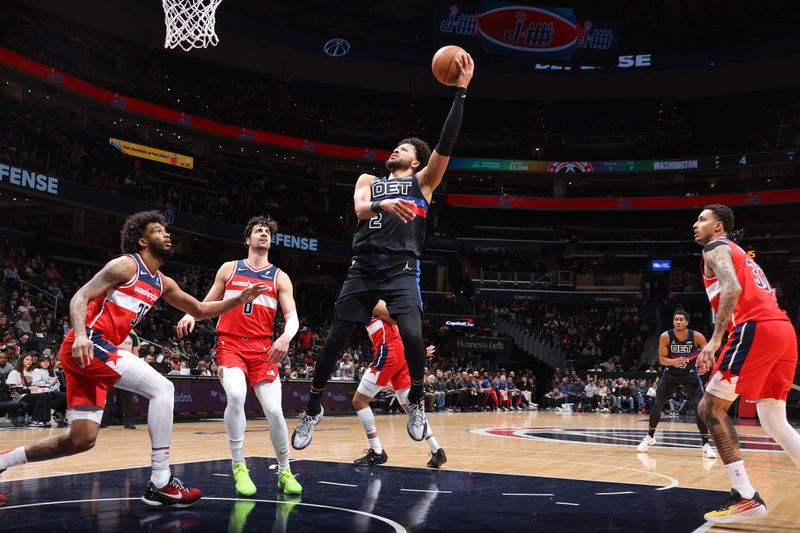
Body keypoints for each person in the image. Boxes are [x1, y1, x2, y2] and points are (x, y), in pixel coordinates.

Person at [0, 211, 267, 507]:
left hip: (93, 356)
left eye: (167, 231)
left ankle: (3, 461)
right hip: (89, 343)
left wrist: (239, 298)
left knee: (81, 440)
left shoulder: (162, 282)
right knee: (163, 388)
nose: (166, 235)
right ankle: (160, 481)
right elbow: (80, 297)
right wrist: (79, 335)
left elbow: (201, 310)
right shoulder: (126, 265)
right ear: (142, 240)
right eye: (158, 231)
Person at [290, 57, 475, 449]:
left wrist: (460, 91)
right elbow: (358, 209)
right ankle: (312, 408)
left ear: (416, 161)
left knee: (411, 333)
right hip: (362, 269)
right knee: (333, 341)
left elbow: (447, 142)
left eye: (403, 148)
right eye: (395, 147)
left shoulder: (424, 183)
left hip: (402, 269)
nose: (395, 150)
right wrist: (381, 205)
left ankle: (419, 403)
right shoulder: (369, 181)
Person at [177, 215, 302, 497]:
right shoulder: (229, 268)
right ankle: (238, 466)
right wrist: (190, 314)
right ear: (247, 239)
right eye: (258, 230)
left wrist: (285, 336)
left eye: (268, 231)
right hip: (231, 344)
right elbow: (206, 303)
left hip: (263, 349)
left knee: (274, 411)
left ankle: (284, 470)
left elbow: (292, 318)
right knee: (235, 396)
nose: (264, 234)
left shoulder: (279, 276)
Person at [693, 204, 800, 523]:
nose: (695, 224)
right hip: (783, 329)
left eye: (702, 219)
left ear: (719, 225)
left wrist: (714, 340)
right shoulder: (740, 252)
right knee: (772, 418)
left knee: (710, 408)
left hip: (757, 328)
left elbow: (733, 288)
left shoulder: (715, 247)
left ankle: (745, 495)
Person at [350, 300, 445, 468]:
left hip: (389, 351)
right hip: (399, 352)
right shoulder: (377, 303)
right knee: (410, 407)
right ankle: (437, 450)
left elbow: (402, 322)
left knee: (359, 401)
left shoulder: (375, 302)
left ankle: (377, 451)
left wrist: (418, 348)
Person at [637, 310, 716, 459]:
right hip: (671, 375)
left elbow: (707, 353)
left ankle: (706, 445)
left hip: (690, 375)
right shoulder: (666, 336)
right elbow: (662, 360)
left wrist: (706, 364)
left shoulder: (696, 336)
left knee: (700, 407)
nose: (678, 322)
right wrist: (675, 361)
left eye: (681, 319)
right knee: (657, 405)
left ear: (687, 322)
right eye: (676, 319)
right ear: (673, 322)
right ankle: (650, 437)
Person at [101, 330, 139, 430]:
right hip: (111, 369)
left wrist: (136, 368)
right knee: (107, 398)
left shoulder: (132, 337)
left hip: (127, 370)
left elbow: (135, 354)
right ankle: (103, 421)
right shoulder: (111, 334)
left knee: (128, 398)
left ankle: (129, 422)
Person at [5, 352, 52, 426]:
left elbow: (37, 383)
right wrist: (26, 387)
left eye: (30, 360)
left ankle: (44, 419)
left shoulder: (32, 372)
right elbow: (12, 387)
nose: (29, 361)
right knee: (41, 396)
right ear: (22, 361)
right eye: (27, 359)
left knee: (46, 394)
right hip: (20, 396)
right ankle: (35, 419)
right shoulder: (15, 372)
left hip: (32, 393)